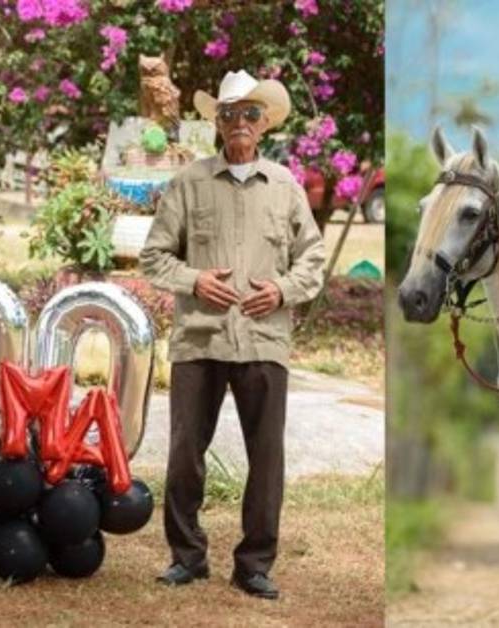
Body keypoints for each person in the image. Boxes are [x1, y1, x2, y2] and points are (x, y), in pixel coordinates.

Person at [140, 70, 327, 599]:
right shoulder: (189, 182)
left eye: (249, 114)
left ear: (263, 123)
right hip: (199, 340)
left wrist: (285, 290)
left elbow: (311, 257)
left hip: (264, 341)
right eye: (229, 114)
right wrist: (193, 279)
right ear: (216, 123)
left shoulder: (286, 187)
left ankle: (254, 564)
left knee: (266, 457)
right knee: (183, 454)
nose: (239, 123)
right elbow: (155, 256)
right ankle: (187, 556)